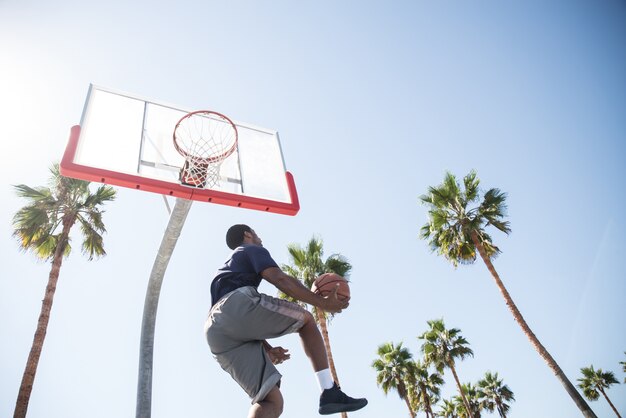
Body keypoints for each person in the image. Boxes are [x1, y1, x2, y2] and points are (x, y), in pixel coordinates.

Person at [205, 224, 368, 417]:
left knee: (272, 401)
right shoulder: (250, 249)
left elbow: (232, 320)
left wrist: (267, 348)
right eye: (256, 233)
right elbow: (278, 278)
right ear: (247, 234)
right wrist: (322, 303)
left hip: (214, 331)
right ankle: (329, 392)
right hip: (235, 305)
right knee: (306, 320)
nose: (260, 238)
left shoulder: (227, 268)